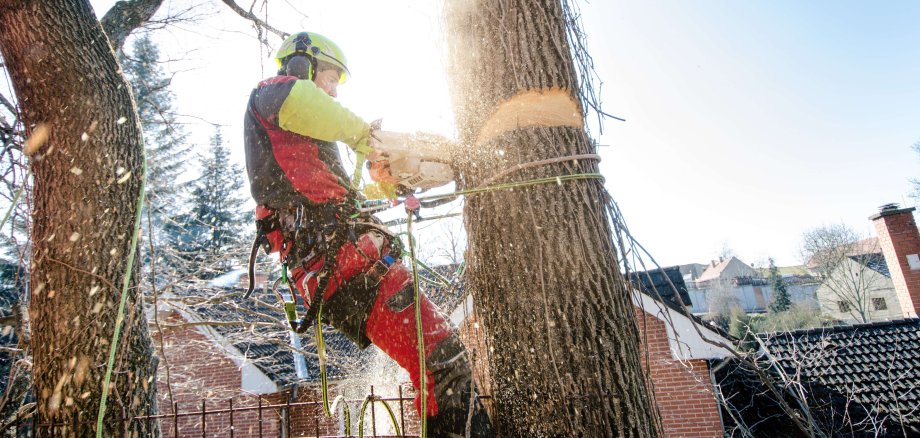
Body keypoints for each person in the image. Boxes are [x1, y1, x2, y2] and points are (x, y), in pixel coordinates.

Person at [243, 31, 493, 437]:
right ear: (301, 65)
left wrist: (391, 186)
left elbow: (343, 198)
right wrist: (366, 137)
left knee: (441, 361)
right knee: (442, 362)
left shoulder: (306, 140)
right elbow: (304, 102)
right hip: (344, 268)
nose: (333, 93)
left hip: (351, 265)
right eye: (330, 79)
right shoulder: (272, 95)